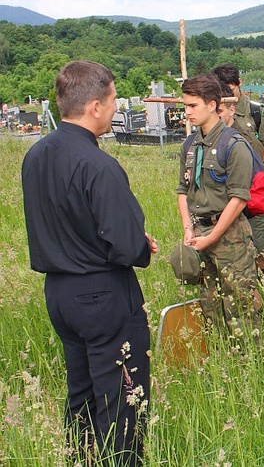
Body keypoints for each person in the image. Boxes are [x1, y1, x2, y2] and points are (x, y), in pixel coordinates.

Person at [21, 60, 157, 465]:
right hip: (102, 293)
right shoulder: (98, 165)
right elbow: (125, 244)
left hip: (60, 292)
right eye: (114, 100)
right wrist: (141, 245)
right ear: (94, 106)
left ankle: (80, 458)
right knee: (122, 398)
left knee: (80, 392)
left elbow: (61, 221)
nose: (116, 108)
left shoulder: (35, 156)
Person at [177, 74, 260, 344]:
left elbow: (238, 198)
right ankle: (221, 362)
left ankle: (249, 365)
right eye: (185, 106)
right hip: (199, 232)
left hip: (229, 237)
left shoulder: (233, 145)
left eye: (193, 106)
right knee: (209, 305)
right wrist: (189, 230)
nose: (187, 112)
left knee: (240, 307)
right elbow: (182, 190)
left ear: (212, 105)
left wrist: (213, 237)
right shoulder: (189, 146)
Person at [212, 64, 264, 282]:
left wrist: (245, 162)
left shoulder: (256, 110)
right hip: (224, 194)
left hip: (253, 192)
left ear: (239, 83)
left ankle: (263, 293)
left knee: (260, 253)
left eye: (230, 87)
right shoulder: (212, 117)